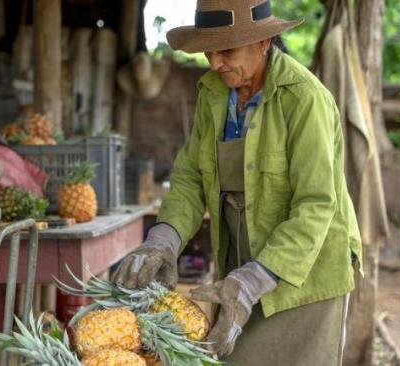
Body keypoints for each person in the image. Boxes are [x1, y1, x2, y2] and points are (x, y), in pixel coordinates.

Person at [111, 0, 363, 365]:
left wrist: (255, 279)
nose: (215, 63)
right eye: (208, 52)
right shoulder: (214, 93)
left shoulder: (305, 100)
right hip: (240, 262)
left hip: (304, 272)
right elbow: (190, 177)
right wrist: (163, 239)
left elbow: (316, 206)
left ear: (264, 42)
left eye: (226, 50)